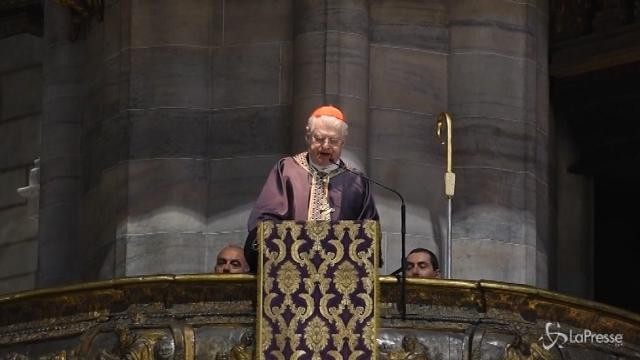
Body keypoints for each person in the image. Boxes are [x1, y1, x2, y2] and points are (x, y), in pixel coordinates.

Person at [244, 105, 380, 272]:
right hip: (291, 269)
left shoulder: (356, 180)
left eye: (334, 141)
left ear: (342, 143)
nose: (326, 145)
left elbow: (369, 230)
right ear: (308, 137)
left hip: (340, 274)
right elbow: (266, 220)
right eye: (319, 138)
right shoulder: (287, 170)